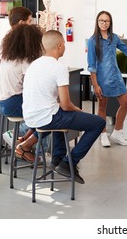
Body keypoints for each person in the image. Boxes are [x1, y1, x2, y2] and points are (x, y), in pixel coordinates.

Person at [22, 30, 106, 183]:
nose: (65, 46)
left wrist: (67, 108)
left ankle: (57, 158)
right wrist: (77, 109)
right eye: (65, 44)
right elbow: (67, 105)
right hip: (47, 118)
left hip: (31, 117)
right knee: (99, 123)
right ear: (60, 46)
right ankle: (69, 162)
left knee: (61, 114)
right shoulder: (59, 68)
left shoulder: (34, 64)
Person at [87, 11, 127, 147]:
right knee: (102, 106)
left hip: (116, 77)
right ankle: (103, 135)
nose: (104, 23)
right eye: (101, 21)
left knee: (126, 103)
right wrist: (95, 85)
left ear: (110, 23)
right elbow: (91, 65)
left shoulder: (114, 38)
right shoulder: (92, 41)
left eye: (106, 21)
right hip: (101, 79)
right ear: (97, 22)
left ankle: (117, 133)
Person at [0, 24, 42, 163]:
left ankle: (22, 139)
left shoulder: (7, 57)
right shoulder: (25, 61)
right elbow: (32, 87)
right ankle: (22, 142)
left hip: (0, 101)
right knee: (49, 115)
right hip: (11, 102)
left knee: (42, 110)